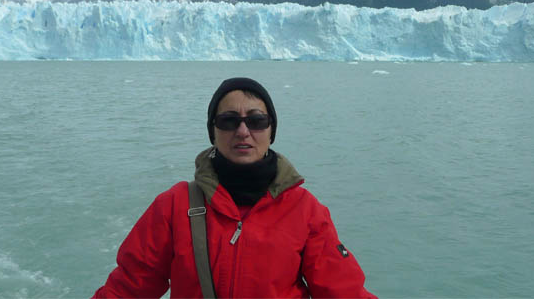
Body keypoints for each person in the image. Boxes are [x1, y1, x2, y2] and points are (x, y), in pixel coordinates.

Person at [93, 77, 376, 298]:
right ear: (213, 131)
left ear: (271, 131)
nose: (243, 131)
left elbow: (344, 291)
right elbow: (128, 288)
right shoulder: (175, 206)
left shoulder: (305, 210)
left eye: (256, 120)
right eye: (229, 121)